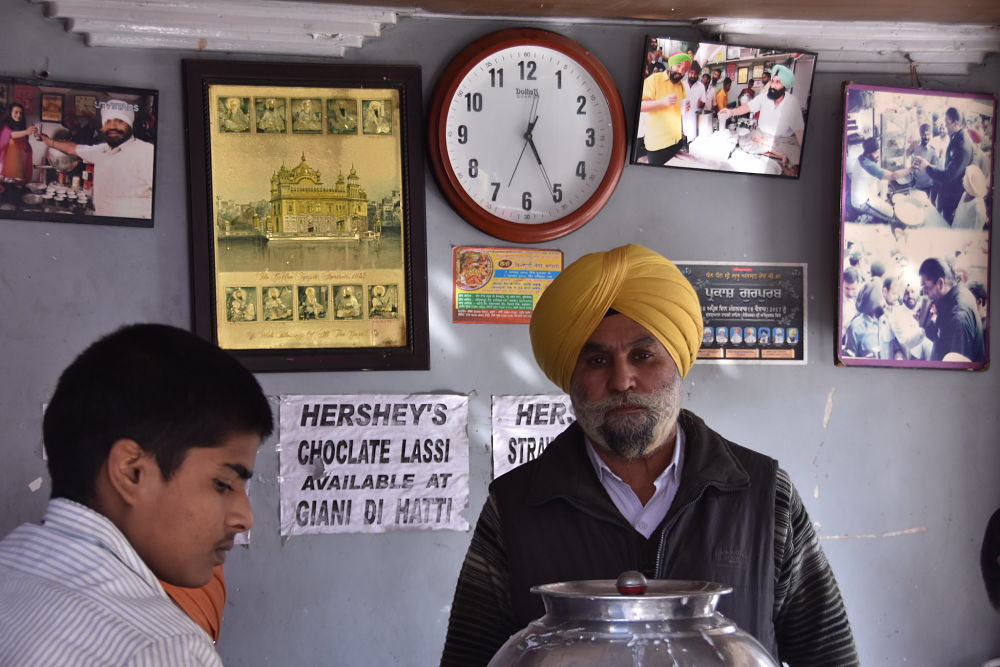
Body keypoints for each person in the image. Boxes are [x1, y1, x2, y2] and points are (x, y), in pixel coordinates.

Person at [441, 244, 858, 666]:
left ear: (678, 362)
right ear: (571, 377)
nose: (622, 379)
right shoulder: (515, 505)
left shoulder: (765, 494)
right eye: (597, 359)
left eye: (643, 355)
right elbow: (469, 658)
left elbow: (828, 656)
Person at [0, 324, 273, 664]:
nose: (244, 518)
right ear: (132, 471)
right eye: (223, 484)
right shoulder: (163, 648)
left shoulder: (11, 568)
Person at [39, 99, 154, 218]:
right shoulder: (102, 150)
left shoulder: (146, 152)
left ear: (130, 125)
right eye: (108, 121)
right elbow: (73, 149)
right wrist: (49, 141)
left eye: (120, 121)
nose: (112, 126)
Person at [719, 65, 805, 174]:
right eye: (772, 81)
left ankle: (772, 148)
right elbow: (748, 107)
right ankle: (773, 148)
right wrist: (731, 112)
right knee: (743, 142)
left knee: (796, 156)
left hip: (783, 140)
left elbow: (799, 131)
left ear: (785, 86)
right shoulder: (764, 97)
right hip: (760, 135)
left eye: (777, 82)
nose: (772, 85)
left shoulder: (792, 103)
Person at [912, 107, 974, 225]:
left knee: (946, 223)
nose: (944, 127)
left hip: (953, 196)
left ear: (955, 123)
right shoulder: (956, 137)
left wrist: (927, 166)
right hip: (946, 191)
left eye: (947, 124)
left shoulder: (963, 145)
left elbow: (949, 175)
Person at [918, 257, 984, 362]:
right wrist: (927, 324)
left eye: (926, 288)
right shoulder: (950, 300)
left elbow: (956, 369)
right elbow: (942, 339)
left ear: (940, 283)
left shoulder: (958, 315)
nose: (924, 294)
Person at [640, 52, 690, 165]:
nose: (681, 71)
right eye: (678, 66)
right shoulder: (654, 80)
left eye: (684, 69)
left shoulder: (681, 85)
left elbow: (680, 110)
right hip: (658, 144)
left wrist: (685, 108)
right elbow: (641, 106)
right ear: (671, 64)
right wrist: (662, 102)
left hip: (676, 141)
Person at [848, 137, 910, 222]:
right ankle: (871, 212)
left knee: (884, 180)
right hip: (861, 202)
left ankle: (882, 201)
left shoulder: (861, 157)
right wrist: (911, 169)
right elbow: (892, 175)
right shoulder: (868, 165)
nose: (878, 155)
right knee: (891, 214)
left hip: (866, 190)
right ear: (868, 153)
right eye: (875, 152)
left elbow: (885, 175)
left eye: (878, 151)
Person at [0, 102, 36, 181]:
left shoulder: (21, 127)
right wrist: (27, 132)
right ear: (10, 113)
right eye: (16, 112)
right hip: (6, 166)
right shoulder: (5, 127)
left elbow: (24, 146)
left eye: (21, 113)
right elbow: (11, 135)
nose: (19, 115)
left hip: (19, 164)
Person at [952, 164, 989, 230]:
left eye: (965, 177)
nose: (963, 178)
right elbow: (961, 208)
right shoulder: (965, 194)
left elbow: (978, 227)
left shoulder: (978, 203)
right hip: (956, 227)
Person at [906, 123, 938, 196]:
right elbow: (906, 154)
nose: (926, 137)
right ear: (920, 135)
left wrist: (927, 164)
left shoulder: (933, 149)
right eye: (924, 135)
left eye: (928, 135)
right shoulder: (915, 144)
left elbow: (935, 168)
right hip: (915, 183)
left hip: (928, 185)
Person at [680, 61, 705, 148]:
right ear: (688, 72)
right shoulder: (681, 84)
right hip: (682, 120)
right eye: (691, 73)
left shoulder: (701, 86)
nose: (693, 76)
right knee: (681, 144)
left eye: (696, 74)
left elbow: (703, 104)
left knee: (692, 145)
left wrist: (701, 104)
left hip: (694, 120)